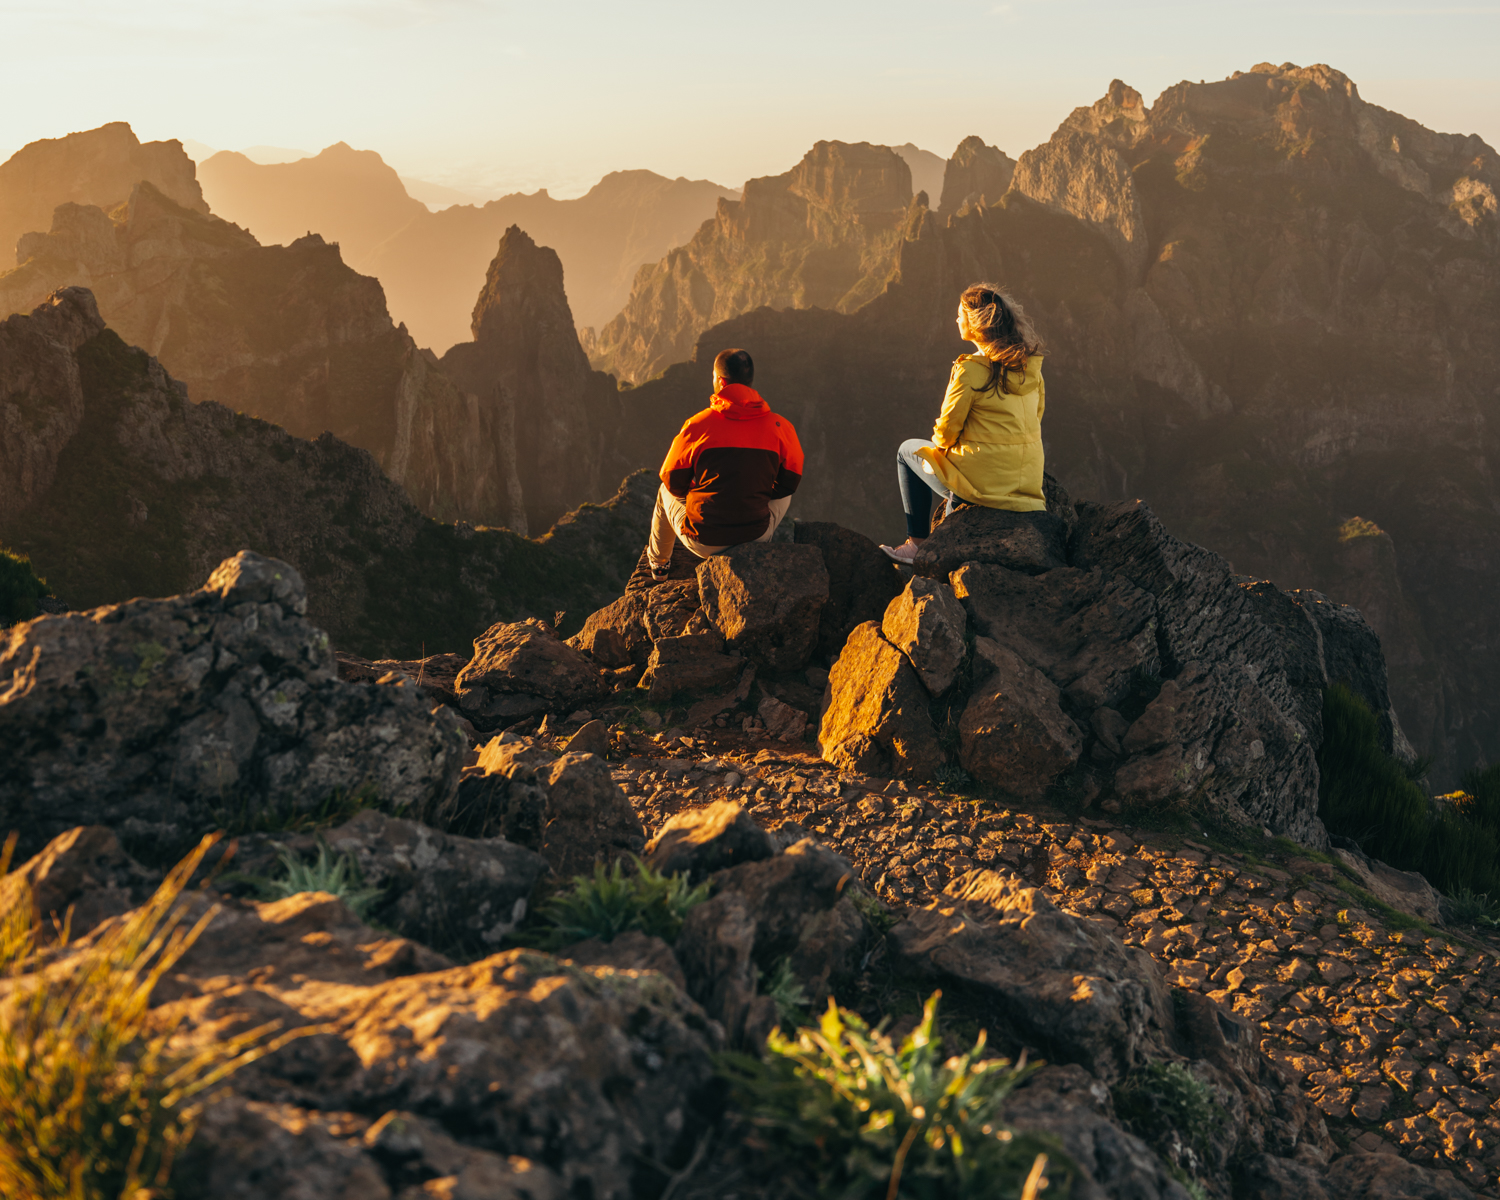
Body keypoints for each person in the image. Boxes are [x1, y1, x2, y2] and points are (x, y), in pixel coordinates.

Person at [880, 283, 1047, 563]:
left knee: (907, 451)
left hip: (982, 485)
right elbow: (1035, 418)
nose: (956, 320)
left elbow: (946, 432)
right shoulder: (1030, 368)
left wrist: (942, 453)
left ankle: (916, 545)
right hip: (1027, 485)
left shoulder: (969, 370)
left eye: (961, 315)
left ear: (976, 324)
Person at [646, 347, 803, 581]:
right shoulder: (781, 427)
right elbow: (789, 483)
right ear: (749, 381)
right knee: (784, 495)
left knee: (663, 492)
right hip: (755, 536)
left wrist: (703, 494)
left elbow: (672, 481)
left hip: (704, 541)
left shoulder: (697, 426)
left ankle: (659, 567)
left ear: (719, 381)